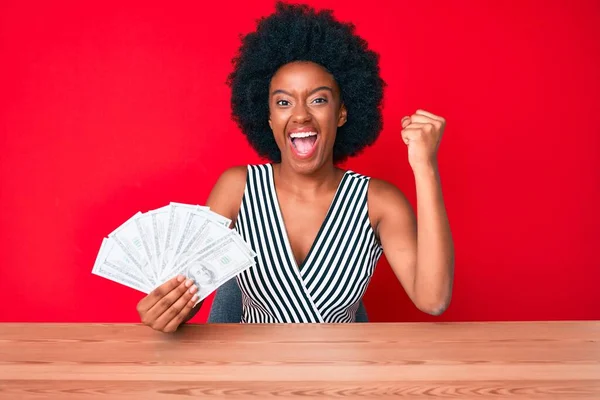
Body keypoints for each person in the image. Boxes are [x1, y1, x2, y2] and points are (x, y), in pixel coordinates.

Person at [136, 2, 454, 332]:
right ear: (270, 118)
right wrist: (166, 310)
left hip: (341, 376)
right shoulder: (238, 188)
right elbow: (189, 291)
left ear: (342, 113)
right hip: (252, 374)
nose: (300, 115)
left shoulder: (379, 201)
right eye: (284, 102)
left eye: (318, 99)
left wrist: (425, 166)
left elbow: (432, 299)